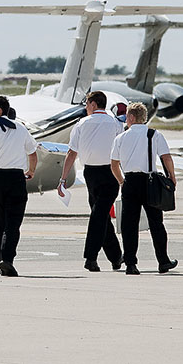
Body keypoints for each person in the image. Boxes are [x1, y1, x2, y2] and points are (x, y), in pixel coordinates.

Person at [58, 90, 124, 272]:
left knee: (98, 214)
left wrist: (63, 179)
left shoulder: (81, 124)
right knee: (100, 214)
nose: (86, 107)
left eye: (87, 104)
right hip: (108, 172)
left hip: (92, 174)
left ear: (94, 104)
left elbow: (72, 153)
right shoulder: (115, 124)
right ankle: (116, 256)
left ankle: (91, 257)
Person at [110, 102, 178, 275]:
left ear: (131, 117)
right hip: (150, 183)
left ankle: (131, 264)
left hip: (130, 182)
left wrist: (121, 182)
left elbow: (114, 164)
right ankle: (163, 261)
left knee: (129, 225)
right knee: (157, 223)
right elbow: (166, 157)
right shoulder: (154, 135)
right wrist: (172, 176)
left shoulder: (121, 138)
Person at [0, 95, 38, 277]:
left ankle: (0, 261)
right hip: (16, 178)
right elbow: (32, 152)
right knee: (13, 223)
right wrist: (31, 171)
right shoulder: (20, 128)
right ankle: (7, 259)